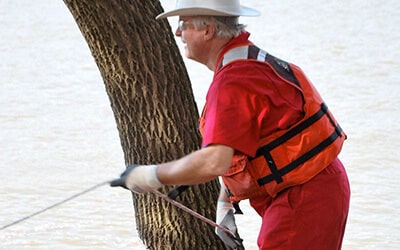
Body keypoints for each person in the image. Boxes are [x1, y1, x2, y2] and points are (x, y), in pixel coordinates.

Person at [111, 0, 351, 249]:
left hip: (305, 197)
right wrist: (225, 203)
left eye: (184, 23)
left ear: (208, 31)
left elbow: (215, 161)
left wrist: (150, 175)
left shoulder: (234, 81)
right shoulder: (251, 63)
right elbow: (250, 145)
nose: (177, 32)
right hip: (315, 187)